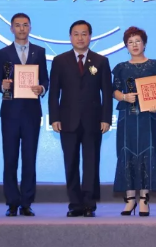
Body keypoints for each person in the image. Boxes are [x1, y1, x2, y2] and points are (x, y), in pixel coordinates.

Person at [49, 20, 113, 217]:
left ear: (90, 37)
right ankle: (75, 203)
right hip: (67, 120)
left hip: (93, 120)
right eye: (76, 34)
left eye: (84, 34)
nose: (80, 38)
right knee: (71, 162)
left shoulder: (101, 61)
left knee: (91, 163)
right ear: (70, 37)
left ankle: (89, 204)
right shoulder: (60, 61)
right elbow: (54, 93)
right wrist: (54, 117)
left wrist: (106, 118)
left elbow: (106, 92)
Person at [0, 13, 49, 217]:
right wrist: (2, 85)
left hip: (32, 113)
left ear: (30, 28)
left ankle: (26, 202)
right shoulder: (3, 53)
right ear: (11, 28)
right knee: (10, 159)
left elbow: (45, 79)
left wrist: (41, 88)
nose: (22, 29)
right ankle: (12, 202)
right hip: (10, 112)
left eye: (25, 25)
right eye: (18, 25)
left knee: (29, 158)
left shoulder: (39, 52)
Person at [111, 27, 156, 217]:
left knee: (147, 153)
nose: (134, 45)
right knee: (126, 153)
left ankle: (144, 199)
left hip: (147, 117)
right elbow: (114, 90)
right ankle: (129, 199)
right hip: (127, 117)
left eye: (138, 41)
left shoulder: (155, 65)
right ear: (126, 46)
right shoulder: (120, 67)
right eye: (130, 42)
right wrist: (124, 97)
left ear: (144, 43)